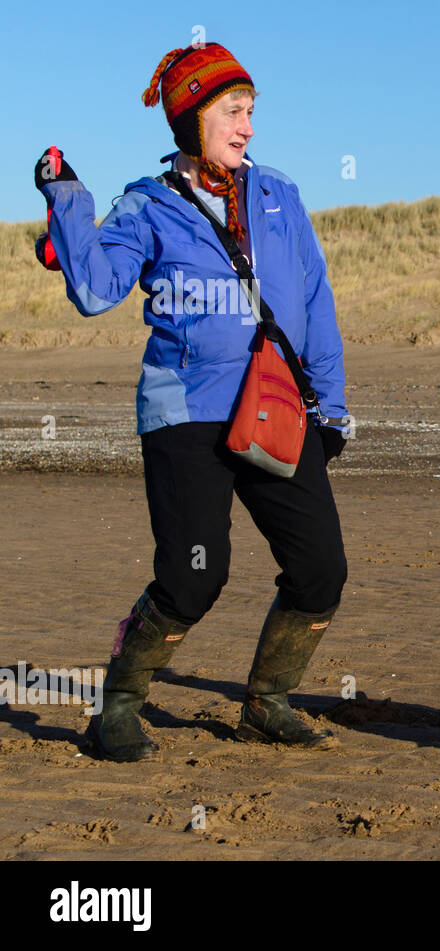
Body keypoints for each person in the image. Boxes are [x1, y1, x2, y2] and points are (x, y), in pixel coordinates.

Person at [34, 42, 350, 761]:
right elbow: (94, 289)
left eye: (251, 112)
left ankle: (268, 702)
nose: (246, 127)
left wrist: (330, 405)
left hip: (274, 404)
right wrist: (69, 203)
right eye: (232, 111)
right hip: (186, 413)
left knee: (319, 568)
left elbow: (312, 299)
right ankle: (116, 704)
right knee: (194, 575)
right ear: (191, 119)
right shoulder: (148, 206)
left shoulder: (279, 195)